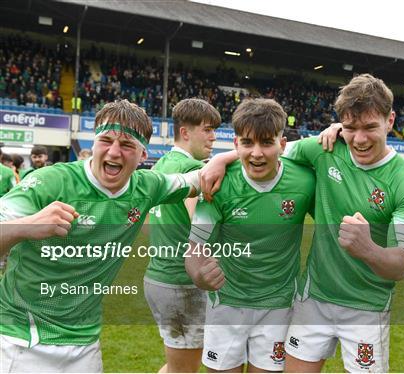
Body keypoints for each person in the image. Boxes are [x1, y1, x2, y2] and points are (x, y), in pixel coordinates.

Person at [200, 74, 404, 372]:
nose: (359, 139)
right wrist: (222, 158)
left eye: (370, 127)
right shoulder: (323, 148)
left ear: (390, 120)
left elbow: (399, 266)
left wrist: (367, 248)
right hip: (313, 299)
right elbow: (266, 149)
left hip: (367, 309)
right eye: (350, 127)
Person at [0, 99, 201, 373]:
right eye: (106, 140)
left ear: (143, 155)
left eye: (127, 145)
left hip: (86, 345)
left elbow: (196, 181)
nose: (114, 152)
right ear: (93, 142)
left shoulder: (146, 186)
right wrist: (26, 226)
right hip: (23, 339)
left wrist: (239, 156)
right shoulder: (51, 181)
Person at [185, 98, 315, 372]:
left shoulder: (304, 181)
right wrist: (199, 274)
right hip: (226, 303)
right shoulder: (219, 183)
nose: (257, 153)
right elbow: (195, 246)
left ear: (282, 145)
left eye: (267, 142)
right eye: (247, 143)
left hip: (277, 305)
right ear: (236, 144)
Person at [144, 98, 221, 373]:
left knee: (178, 367)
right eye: (208, 130)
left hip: (160, 278)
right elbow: (201, 226)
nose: (213, 137)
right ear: (185, 132)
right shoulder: (192, 171)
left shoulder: (163, 163)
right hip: (181, 284)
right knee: (184, 370)